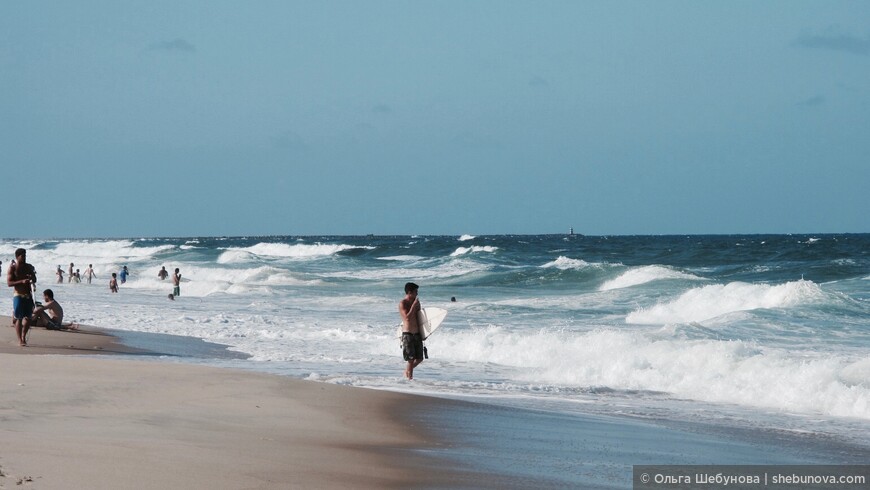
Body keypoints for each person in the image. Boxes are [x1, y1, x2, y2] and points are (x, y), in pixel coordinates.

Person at [8, 248, 37, 346]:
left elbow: (35, 279)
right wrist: (21, 281)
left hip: (28, 295)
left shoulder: (29, 267)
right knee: (19, 318)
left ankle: (24, 336)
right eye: (22, 256)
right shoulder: (13, 268)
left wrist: (31, 277)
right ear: (17, 257)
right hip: (18, 294)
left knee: (29, 318)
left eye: (25, 256)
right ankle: (20, 339)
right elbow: (9, 283)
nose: (24, 258)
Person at [399, 282, 424, 380]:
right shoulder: (403, 303)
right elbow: (407, 318)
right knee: (410, 359)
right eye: (415, 292)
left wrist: (423, 333)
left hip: (417, 334)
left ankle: (407, 371)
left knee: (420, 359)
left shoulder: (416, 302)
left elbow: (419, 318)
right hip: (408, 334)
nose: (417, 294)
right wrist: (413, 306)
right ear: (409, 292)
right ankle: (410, 380)